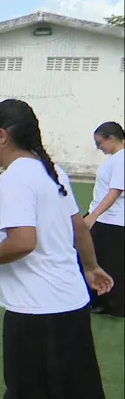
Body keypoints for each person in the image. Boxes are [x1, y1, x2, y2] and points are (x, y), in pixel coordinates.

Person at [0, 99, 116, 399]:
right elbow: (78, 226)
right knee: (70, 392)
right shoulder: (51, 172)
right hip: (69, 303)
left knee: (33, 394)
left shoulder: (15, 178)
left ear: (2, 136)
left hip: (37, 311)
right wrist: (92, 267)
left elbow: (22, 241)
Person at [83, 121, 124, 317]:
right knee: (96, 259)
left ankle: (115, 306)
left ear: (111, 138)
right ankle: (99, 300)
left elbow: (115, 191)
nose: (98, 147)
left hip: (113, 221)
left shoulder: (122, 159)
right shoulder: (115, 159)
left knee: (111, 264)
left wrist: (94, 215)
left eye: (99, 142)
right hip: (104, 219)